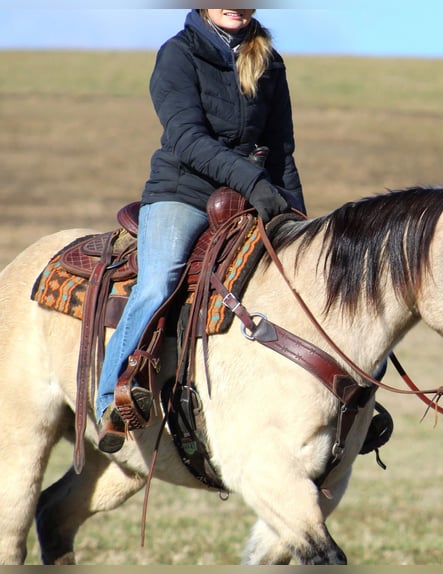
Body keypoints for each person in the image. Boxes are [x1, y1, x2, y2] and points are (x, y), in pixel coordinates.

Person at [96, 8, 305, 453]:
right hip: (183, 192)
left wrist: (296, 218)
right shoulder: (177, 54)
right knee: (159, 281)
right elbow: (186, 137)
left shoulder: (269, 60)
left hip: (252, 195)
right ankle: (109, 398)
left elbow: (282, 147)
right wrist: (252, 181)